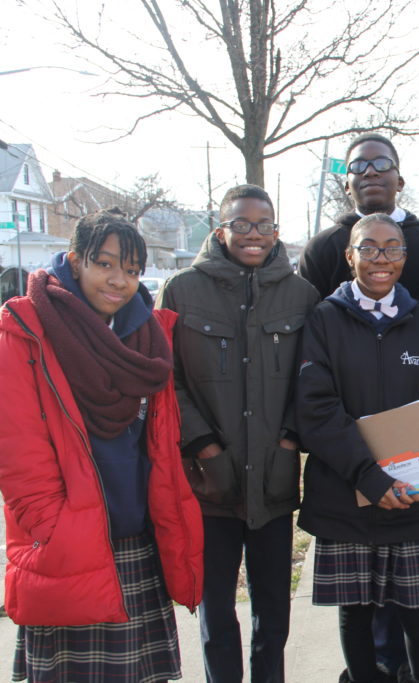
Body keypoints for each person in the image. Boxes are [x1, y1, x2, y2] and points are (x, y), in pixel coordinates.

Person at [0, 208, 203, 682]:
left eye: (132, 269)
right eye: (104, 264)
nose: (119, 280)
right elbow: (15, 457)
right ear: (75, 259)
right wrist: (59, 532)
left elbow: (157, 445)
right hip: (71, 544)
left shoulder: (147, 337)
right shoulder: (26, 332)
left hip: (137, 540)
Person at [157, 184, 319, 682]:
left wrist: (290, 439)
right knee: (217, 613)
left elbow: (313, 377)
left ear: (276, 231)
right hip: (210, 485)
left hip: (273, 483)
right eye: (242, 224)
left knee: (273, 611)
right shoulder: (182, 290)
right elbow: (168, 379)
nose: (254, 235)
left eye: (264, 225)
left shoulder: (301, 295)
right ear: (220, 228)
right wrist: (202, 443)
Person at [296, 214, 419, 683]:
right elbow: (316, 409)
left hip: (411, 498)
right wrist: (369, 476)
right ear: (350, 257)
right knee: (356, 616)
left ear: (405, 258)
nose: (380, 259)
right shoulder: (323, 319)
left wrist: (409, 478)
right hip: (345, 496)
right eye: (368, 248)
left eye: (392, 248)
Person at [299, 133, 419, 298]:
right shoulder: (320, 249)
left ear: (400, 183)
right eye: (358, 166)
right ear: (347, 187)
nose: (370, 172)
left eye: (382, 164)